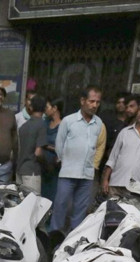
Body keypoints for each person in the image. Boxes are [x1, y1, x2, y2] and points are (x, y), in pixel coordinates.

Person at [51, 85, 106, 232]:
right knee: (60, 206)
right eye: (92, 101)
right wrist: (65, 161)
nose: (95, 105)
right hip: (68, 172)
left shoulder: (98, 123)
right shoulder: (68, 121)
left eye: (97, 102)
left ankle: (73, 241)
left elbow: (99, 145)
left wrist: (94, 165)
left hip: (87, 174)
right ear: (83, 101)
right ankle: (54, 239)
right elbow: (59, 145)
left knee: (80, 210)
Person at [102, 99, 140, 195]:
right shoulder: (125, 132)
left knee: (132, 210)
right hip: (117, 182)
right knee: (112, 209)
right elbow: (113, 158)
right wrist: (105, 180)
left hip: (138, 185)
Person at [16, 95, 49, 194]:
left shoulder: (23, 126)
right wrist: (46, 165)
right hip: (32, 172)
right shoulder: (41, 124)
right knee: (33, 205)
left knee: (22, 204)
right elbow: (38, 153)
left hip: (20, 170)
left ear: (31, 108)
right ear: (44, 108)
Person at [41, 97, 63, 202]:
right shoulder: (45, 123)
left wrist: (46, 146)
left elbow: (64, 148)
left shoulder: (63, 126)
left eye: (47, 107)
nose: (45, 109)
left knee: (53, 198)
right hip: (42, 165)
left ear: (55, 108)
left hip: (55, 167)